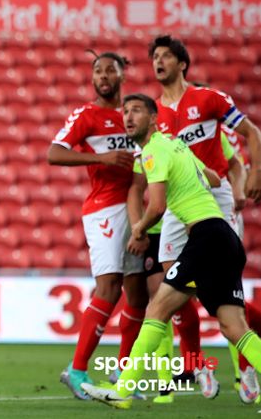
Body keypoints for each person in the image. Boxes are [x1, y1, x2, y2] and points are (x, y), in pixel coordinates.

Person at [83, 93, 261, 409]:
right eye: (125, 111)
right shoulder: (177, 145)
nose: (128, 116)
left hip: (205, 238)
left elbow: (159, 205)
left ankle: (123, 390)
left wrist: (138, 228)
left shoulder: (153, 152)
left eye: (136, 111)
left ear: (154, 118)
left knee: (157, 309)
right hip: (225, 238)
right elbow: (213, 176)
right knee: (234, 326)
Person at [138, 35, 261, 398]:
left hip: (215, 199)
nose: (158, 62)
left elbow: (247, 138)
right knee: (172, 288)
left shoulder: (209, 99)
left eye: (165, 56)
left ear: (182, 63)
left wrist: (251, 175)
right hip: (178, 206)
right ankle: (195, 368)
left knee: (224, 290)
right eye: (154, 57)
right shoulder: (154, 116)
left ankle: (245, 371)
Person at [47, 51, 147, 399]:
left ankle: (124, 375)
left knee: (137, 293)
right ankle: (76, 370)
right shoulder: (86, 115)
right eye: (97, 71)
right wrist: (99, 157)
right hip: (104, 210)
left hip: (138, 208)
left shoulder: (134, 115)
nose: (103, 76)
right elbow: (54, 153)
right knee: (109, 288)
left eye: (110, 70)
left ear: (122, 76)